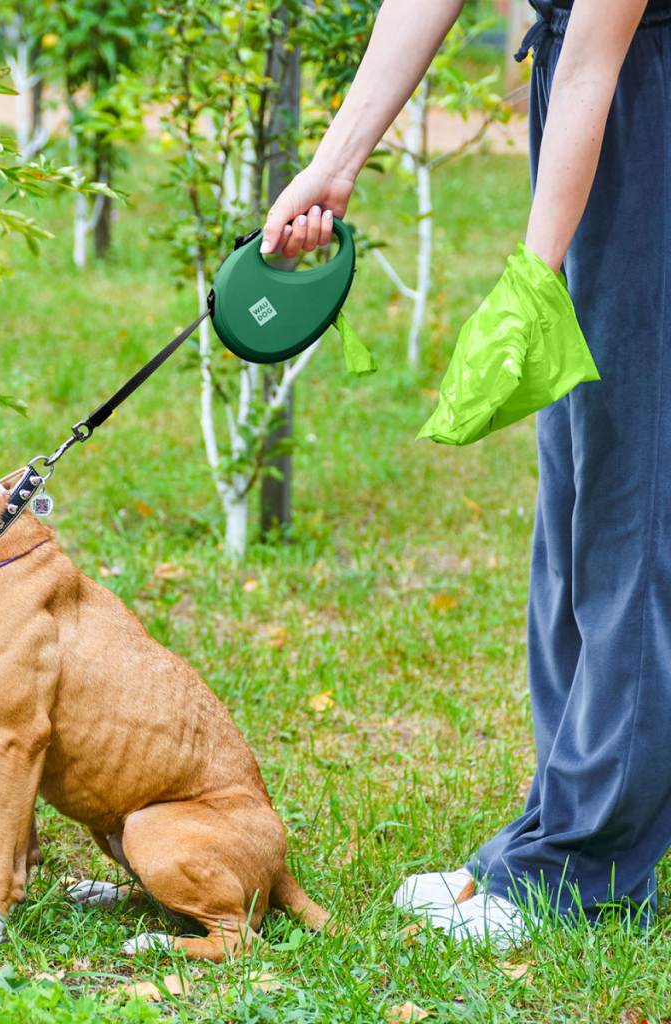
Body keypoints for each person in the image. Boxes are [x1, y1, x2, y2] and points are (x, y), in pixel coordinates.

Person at [264, 0, 671, 946]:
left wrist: (533, 279)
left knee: (635, 495)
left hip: (638, 101)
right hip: (586, 86)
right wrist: (335, 163)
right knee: (577, 490)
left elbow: (593, 66)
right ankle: (558, 827)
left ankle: (589, 867)